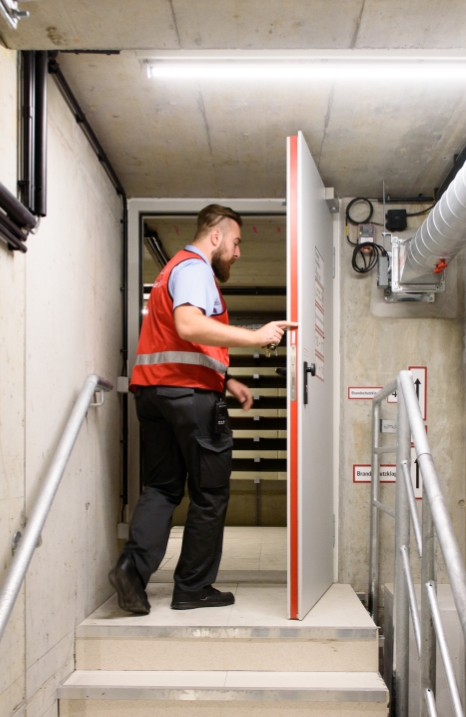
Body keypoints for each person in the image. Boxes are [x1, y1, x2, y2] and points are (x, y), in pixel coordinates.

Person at [110, 204, 294, 614]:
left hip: (155, 396)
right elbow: (189, 325)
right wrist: (255, 335)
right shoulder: (195, 269)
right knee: (210, 492)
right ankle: (192, 587)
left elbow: (181, 344)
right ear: (216, 236)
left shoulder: (169, 272)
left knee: (162, 487)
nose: (238, 252)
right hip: (189, 399)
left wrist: (225, 379)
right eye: (236, 242)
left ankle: (132, 571)